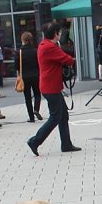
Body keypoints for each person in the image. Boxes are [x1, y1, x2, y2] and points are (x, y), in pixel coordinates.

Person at [27, 21, 80, 157]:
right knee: (56, 117)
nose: (60, 34)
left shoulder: (45, 45)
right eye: (59, 32)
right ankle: (35, 141)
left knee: (63, 116)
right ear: (55, 34)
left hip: (51, 86)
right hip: (51, 87)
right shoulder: (49, 47)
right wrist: (72, 59)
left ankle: (66, 144)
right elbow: (67, 59)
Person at [17, 31, 42, 123]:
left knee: (27, 97)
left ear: (22, 40)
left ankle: (31, 117)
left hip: (24, 77)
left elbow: (16, 65)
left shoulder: (19, 52)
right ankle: (36, 109)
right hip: (36, 75)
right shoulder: (36, 51)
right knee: (37, 94)